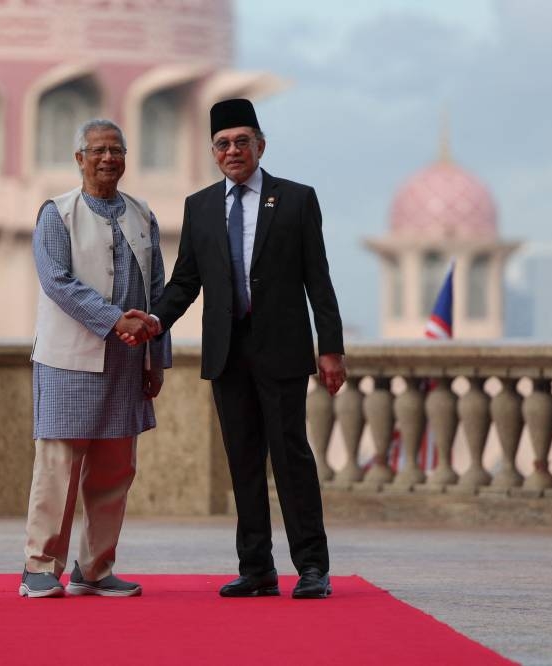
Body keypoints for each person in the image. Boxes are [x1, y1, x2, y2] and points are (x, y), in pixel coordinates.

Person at [123, 98, 346, 599]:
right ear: (213, 152)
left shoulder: (296, 200)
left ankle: (313, 567)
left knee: (290, 458)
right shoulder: (200, 207)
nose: (232, 151)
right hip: (228, 352)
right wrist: (155, 320)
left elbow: (319, 279)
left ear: (260, 146)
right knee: (243, 461)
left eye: (242, 141)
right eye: (222, 144)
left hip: (282, 349)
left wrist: (330, 347)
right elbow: (185, 282)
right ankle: (257, 568)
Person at [21, 118, 170, 598]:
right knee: (58, 469)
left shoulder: (142, 214)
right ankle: (40, 566)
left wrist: (156, 359)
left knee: (114, 471)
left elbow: (157, 291)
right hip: (68, 360)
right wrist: (114, 320)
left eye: (116, 150)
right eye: (98, 150)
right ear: (79, 159)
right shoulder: (57, 214)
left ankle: (95, 568)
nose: (109, 158)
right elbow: (57, 282)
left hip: (127, 363)